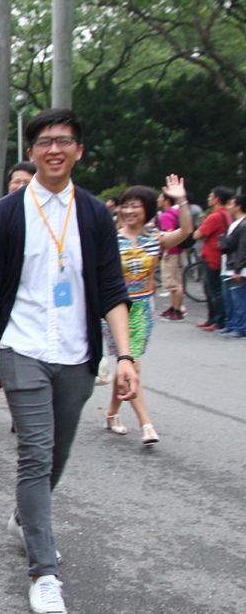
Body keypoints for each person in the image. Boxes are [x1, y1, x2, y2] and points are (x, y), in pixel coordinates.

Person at [0, 107, 138, 614]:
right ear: (31, 151)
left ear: (79, 150)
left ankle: (26, 516)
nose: (54, 149)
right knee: (35, 456)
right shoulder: (5, 214)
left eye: (64, 140)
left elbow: (111, 287)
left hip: (76, 354)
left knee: (56, 456)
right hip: (21, 349)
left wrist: (125, 354)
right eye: (44, 141)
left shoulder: (92, 214)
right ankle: (44, 573)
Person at [102, 178, 192, 445]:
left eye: (136, 207)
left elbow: (186, 231)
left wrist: (181, 200)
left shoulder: (155, 239)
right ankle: (146, 424)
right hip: (114, 308)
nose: (129, 211)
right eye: (125, 206)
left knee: (126, 365)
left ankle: (111, 412)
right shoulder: (109, 239)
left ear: (148, 211)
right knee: (131, 364)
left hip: (142, 309)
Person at [193, 186, 234, 331]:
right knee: (213, 289)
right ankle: (213, 319)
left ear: (216, 199)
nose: (208, 198)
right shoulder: (227, 213)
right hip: (219, 255)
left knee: (213, 290)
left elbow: (197, 235)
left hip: (212, 256)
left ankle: (217, 320)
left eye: (211, 196)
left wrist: (201, 227)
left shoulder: (215, 216)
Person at [156, 190, 188, 321]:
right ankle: (174, 307)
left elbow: (169, 235)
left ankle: (177, 310)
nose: (158, 200)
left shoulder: (166, 215)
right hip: (179, 251)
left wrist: (166, 252)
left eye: (160, 197)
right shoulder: (176, 213)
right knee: (177, 281)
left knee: (173, 284)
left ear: (166, 201)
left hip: (172, 253)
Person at [219, 194, 246, 338]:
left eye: (231, 204)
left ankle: (241, 327)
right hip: (230, 265)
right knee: (231, 298)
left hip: (237, 268)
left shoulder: (243, 224)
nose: (228, 206)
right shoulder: (236, 223)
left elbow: (243, 248)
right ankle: (233, 324)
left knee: (239, 299)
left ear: (238, 206)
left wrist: (238, 269)